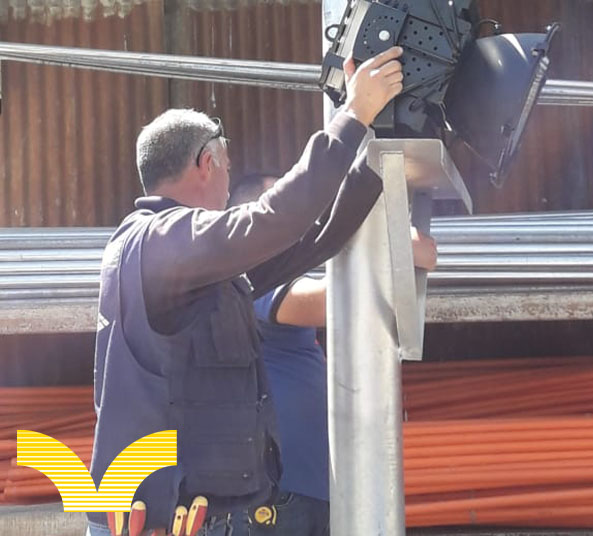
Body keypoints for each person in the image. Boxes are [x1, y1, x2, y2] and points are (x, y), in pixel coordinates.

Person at [87, 48, 404, 536]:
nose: (229, 182)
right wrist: (352, 115)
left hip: (191, 515)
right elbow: (274, 219)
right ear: (207, 162)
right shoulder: (160, 241)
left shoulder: (187, 259)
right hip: (164, 520)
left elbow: (309, 240)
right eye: (228, 168)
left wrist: (374, 154)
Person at [227, 174, 437, 536]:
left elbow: (423, 252)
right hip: (279, 496)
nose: (300, 214)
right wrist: (376, 238)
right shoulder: (251, 274)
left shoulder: (277, 271)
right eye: (283, 204)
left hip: (309, 490)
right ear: (255, 216)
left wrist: (381, 242)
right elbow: (336, 301)